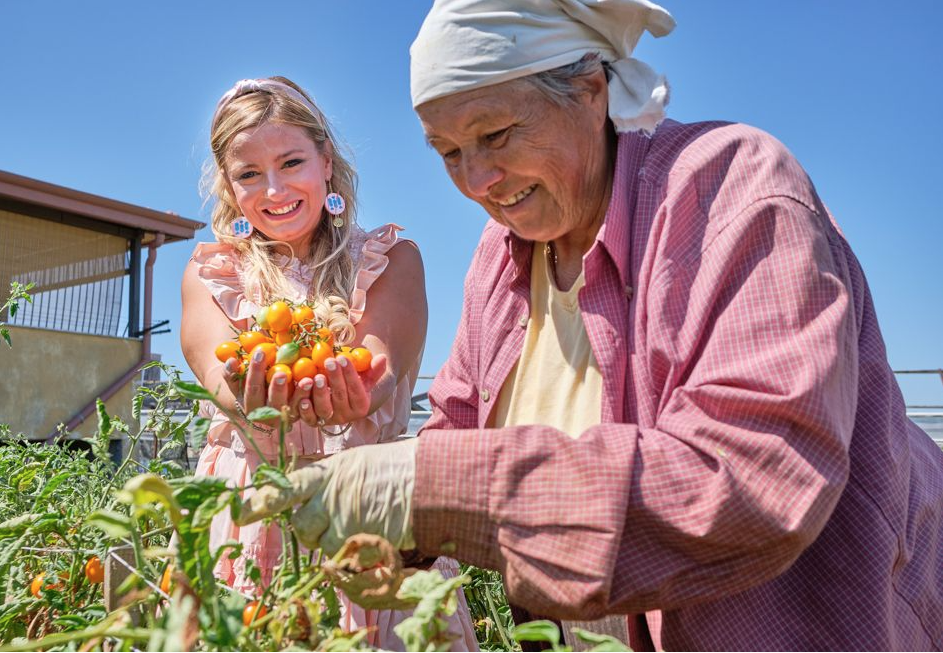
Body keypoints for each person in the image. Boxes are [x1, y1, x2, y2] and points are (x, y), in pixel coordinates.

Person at [238, 3, 943, 651]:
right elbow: (459, 424)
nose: (478, 179)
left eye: (497, 133)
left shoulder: (729, 193)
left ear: (591, 91)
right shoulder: (500, 255)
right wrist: (382, 526)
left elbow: (748, 478)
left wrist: (423, 490)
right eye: (448, 151)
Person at [180, 76, 477, 651]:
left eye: (291, 162)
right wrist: (251, 402)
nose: (274, 188)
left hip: (367, 505)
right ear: (228, 186)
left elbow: (381, 368)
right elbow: (222, 376)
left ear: (327, 162)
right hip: (250, 506)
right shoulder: (210, 273)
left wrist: (364, 390)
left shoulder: (390, 260)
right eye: (248, 175)